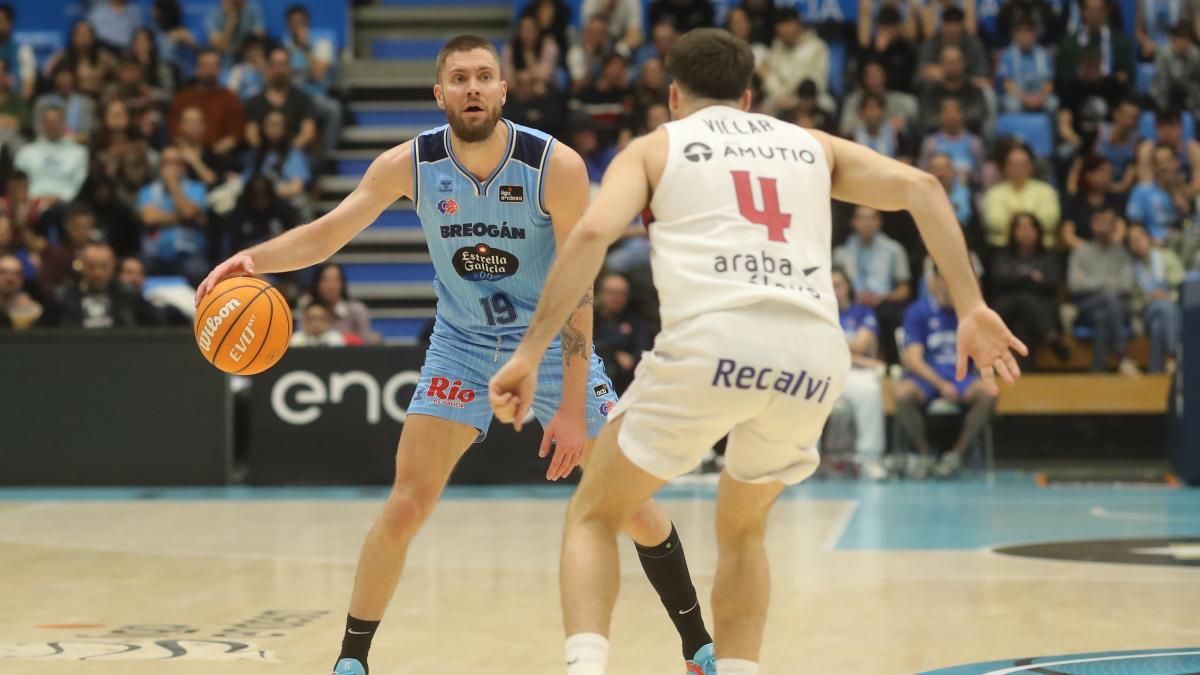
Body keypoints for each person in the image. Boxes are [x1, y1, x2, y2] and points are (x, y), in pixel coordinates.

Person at [486, 28, 1024, 675]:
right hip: (813, 354)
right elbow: (925, 190)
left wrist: (530, 346)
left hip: (715, 341)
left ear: (675, 95)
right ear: (747, 96)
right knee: (742, 529)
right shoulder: (810, 144)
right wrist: (970, 305)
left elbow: (597, 230)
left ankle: (584, 667)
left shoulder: (658, 146)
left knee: (596, 513)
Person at [193, 35, 717, 675]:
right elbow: (328, 233)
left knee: (631, 504)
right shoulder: (409, 164)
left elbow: (580, 289)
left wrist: (573, 407)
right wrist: (250, 262)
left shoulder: (557, 167)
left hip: (548, 342)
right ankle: (351, 661)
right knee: (407, 504)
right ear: (439, 93)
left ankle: (700, 648)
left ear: (504, 90)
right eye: (460, 78)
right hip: (462, 346)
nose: (473, 88)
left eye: (484, 77)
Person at [894, 265, 999, 479]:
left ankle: (957, 455)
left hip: (960, 376)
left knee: (988, 393)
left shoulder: (969, 313)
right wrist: (940, 385)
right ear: (935, 281)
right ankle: (925, 455)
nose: (950, 286)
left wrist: (985, 369)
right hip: (927, 376)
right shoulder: (918, 311)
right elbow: (913, 359)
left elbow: (981, 352)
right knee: (902, 395)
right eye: (945, 279)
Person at [833, 205, 912, 363]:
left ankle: (891, 365)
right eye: (862, 218)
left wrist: (883, 297)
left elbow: (905, 289)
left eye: (871, 218)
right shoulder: (841, 252)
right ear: (853, 222)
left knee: (891, 315)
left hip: (883, 305)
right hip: (849, 304)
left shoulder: (894, 249)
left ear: (879, 222)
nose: (866, 223)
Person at [989, 212, 1068, 367]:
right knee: (1021, 300)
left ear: (1038, 232)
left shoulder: (1048, 256)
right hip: (1007, 312)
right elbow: (998, 278)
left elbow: (1052, 282)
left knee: (1024, 323)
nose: (1026, 232)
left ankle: (1025, 381)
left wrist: (1018, 277)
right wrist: (1031, 277)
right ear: (1013, 232)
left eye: (1030, 227)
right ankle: (1051, 337)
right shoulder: (1003, 255)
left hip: (1041, 310)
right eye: (1021, 227)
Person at [831, 266, 887, 479]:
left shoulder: (863, 312)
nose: (834, 290)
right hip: (826, 371)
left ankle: (869, 458)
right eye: (830, 286)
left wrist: (831, 342)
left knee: (870, 391)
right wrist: (854, 354)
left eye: (838, 285)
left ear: (848, 287)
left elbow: (862, 344)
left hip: (854, 373)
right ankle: (803, 460)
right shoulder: (818, 311)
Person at [1068, 207, 1138, 373]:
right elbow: (1075, 285)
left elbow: (1127, 286)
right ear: (1092, 225)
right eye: (1099, 221)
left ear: (1115, 226)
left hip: (1117, 308)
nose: (1103, 226)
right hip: (1087, 306)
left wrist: (1091, 281)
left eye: (1108, 222)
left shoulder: (1122, 254)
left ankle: (1098, 369)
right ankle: (1123, 354)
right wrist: (1108, 281)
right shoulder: (1080, 252)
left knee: (1103, 316)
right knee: (1109, 298)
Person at [1127, 221, 1184, 372]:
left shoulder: (1167, 257)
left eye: (1139, 238)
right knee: (1163, 307)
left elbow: (1183, 287)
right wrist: (1149, 298)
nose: (1137, 244)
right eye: (1132, 241)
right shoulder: (1132, 268)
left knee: (1158, 326)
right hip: (1146, 313)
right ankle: (1172, 354)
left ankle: (1155, 372)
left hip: (1173, 309)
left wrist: (1168, 295)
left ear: (1148, 238)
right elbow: (1132, 303)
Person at [168, 48, 245, 156]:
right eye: (204, 66)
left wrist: (210, 154)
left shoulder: (230, 99)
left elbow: (235, 136)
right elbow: (174, 134)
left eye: (213, 66)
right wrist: (190, 154)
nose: (208, 70)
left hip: (218, 156)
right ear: (197, 69)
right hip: (185, 156)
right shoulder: (182, 99)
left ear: (219, 69)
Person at [983, 144, 1061, 249]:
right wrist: (1031, 220)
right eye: (1014, 164)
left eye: (1022, 164)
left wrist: (1014, 219)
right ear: (1005, 167)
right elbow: (994, 222)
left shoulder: (1046, 190)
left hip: (1042, 249)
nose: (1018, 168)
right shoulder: (994, 193)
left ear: (1031, 167)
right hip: (1002, 248)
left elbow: (1049, 221)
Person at [593, 271, 651, 393]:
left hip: (628, 383)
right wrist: (614, 353)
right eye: (611, 292)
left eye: (622, 294)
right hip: (597, 381)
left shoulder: (634, 320)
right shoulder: (591, 320)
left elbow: (643, 347)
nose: (616, 298)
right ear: (600, 293)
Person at [296, 263, 378, 344]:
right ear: (317, 283)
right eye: (326, 280)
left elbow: (366, 342)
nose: (331, 286)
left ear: (342, 284)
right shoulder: (307, 306)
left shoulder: (356, 309)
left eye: (336, 280)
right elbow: (300, 339)